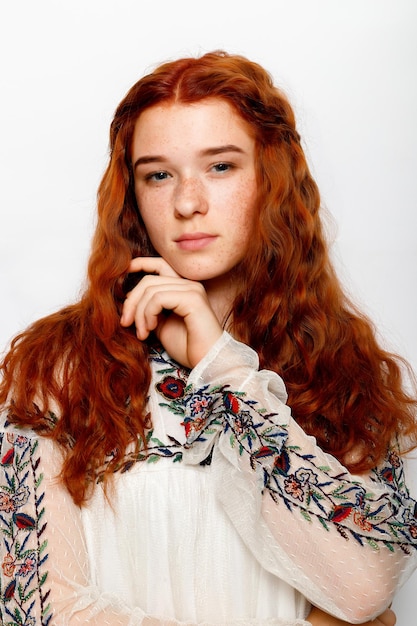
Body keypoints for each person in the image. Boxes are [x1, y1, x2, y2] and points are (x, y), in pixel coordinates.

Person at [0, 50, 415, 626]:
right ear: (133, 194)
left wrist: (219, 366)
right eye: (158, 174)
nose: (187, 203)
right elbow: (36, 610)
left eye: (220, 167)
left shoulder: (344, 370)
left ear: (271, 178)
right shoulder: (57, 369)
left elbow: (366, 587)